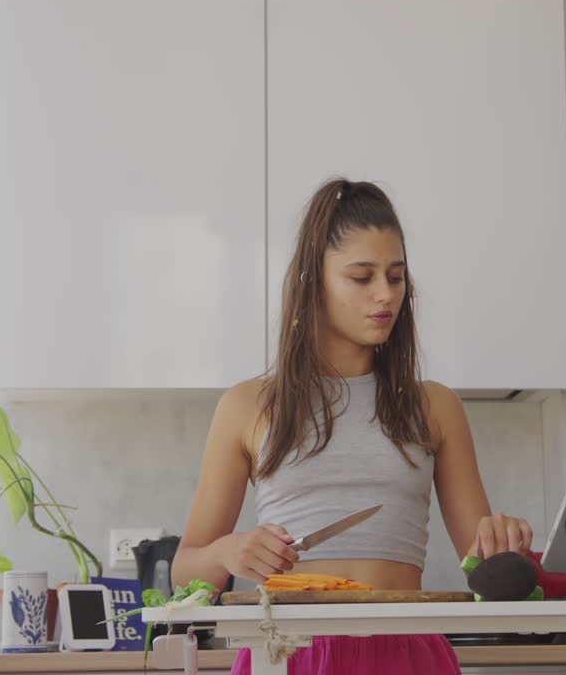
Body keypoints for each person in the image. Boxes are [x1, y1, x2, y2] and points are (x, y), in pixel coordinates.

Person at [172, 178, 536, 674]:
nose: (386, 295)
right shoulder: (247, 406)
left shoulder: (435, 406)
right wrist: (229, 552)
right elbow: (185, 576)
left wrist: (502, 543)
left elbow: (484, 571)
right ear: (313, 281)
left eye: (396, 276)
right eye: (361, 277)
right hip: (286, 655)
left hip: (408, 654)